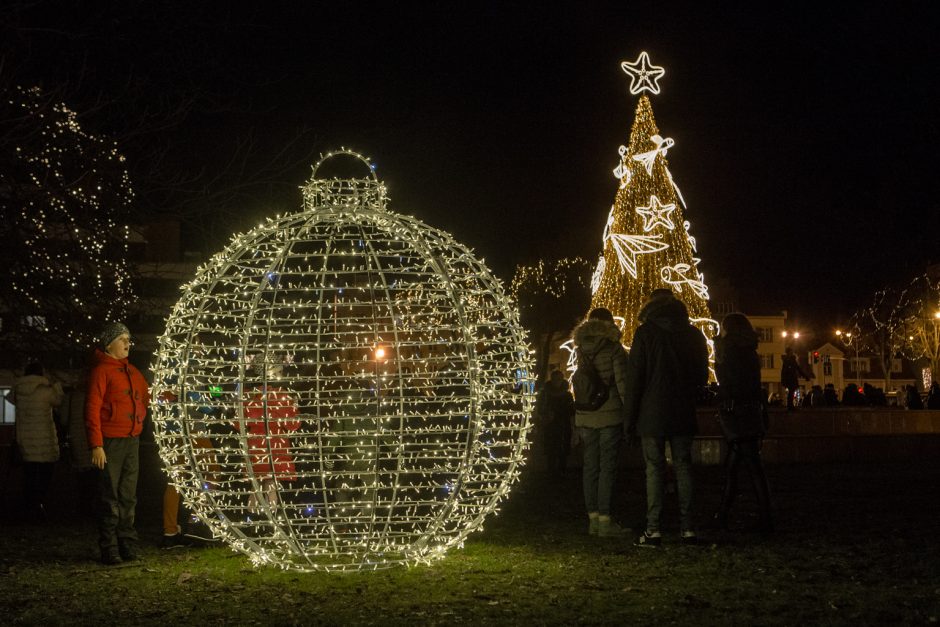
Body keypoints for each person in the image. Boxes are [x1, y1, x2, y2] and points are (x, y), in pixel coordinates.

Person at [624, 289, 709, 547]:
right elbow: (701, 376)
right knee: (683, 466)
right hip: (682, 408)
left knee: (654, 469)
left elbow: (635, 379)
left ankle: (654, 529)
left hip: (652, 411)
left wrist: (630, 419)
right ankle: (688, 528)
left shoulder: (646, 333)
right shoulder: (693, 334)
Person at [85, 322, 150, 565]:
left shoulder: (133, 372)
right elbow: (91, 408)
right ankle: (109, 547)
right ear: (109, 344)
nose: (127, 343)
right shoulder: (101, 371)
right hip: (110, 442)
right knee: (109, 496)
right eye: (122, 338)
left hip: (131, 440)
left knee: (128, 496)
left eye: (128, 338)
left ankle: (127, 544)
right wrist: (96, 444)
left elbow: (145, 397)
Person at [571, 307, 630, 538]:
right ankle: (606, 520)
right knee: (607, 467)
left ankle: (592, 520)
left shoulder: (580, 348)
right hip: (610, 413)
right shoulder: (613, 348)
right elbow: (623, 382)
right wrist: (629, 411)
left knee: (590, 467)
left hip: (586, 414)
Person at [712, 313, 773, 533]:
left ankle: (763, 517)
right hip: (750, 410)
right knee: (737, 465)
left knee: (747, 466)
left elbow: (728, 380)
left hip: (737, 413)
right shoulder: (751, 351)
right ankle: (723, 513)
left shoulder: (728, 350)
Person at [237, 357, 300, 515]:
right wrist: (295, 407)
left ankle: (251, 518)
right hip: (276, 448)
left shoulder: (248, 396)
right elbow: (293, 424)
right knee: (271, 484)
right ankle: (271, 520)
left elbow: (238, 424)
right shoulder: (281, 396)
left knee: (255, 485)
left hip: (255, 447)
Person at [8, 362, 64, 521]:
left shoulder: (18, 391)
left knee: (29, 475)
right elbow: (59, 401)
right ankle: (38, 504)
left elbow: (10, 400)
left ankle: (30, 505)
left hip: (25, 440)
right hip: (44, 440)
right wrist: (56, 385)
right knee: (45, 474)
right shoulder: (46, 391)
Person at [533, 370, 575, 477]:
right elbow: (540, 409)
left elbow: (571, 410)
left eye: (560, 379)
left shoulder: (567, 394)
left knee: (563, 449)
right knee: (551, 449)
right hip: (550, 425)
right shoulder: (546, 394)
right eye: (556, 379)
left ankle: (561, 471)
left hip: (563, 425)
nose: (558, 382)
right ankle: (551, 471)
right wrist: (546, 414)